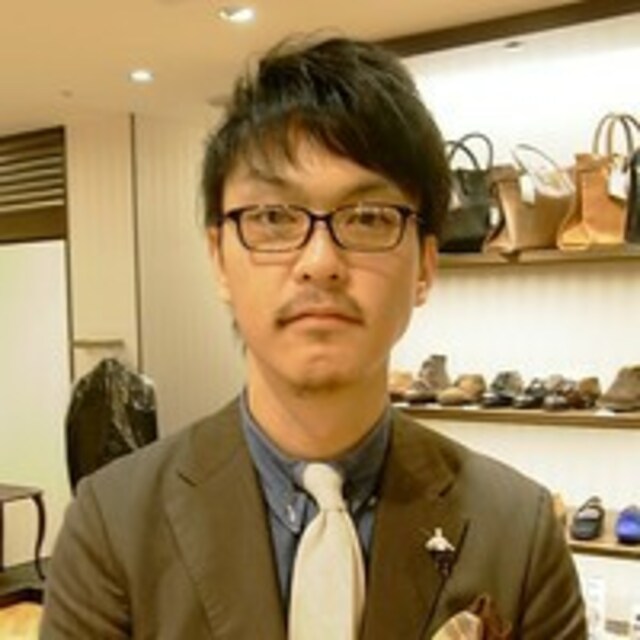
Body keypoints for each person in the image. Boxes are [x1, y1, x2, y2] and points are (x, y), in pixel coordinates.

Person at [40, 35, 586, 639]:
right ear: (219, 258)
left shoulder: (519, 532)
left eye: (368, 217)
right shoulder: (112, 525)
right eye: (273, 217)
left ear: (426, 266)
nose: (320, 262)